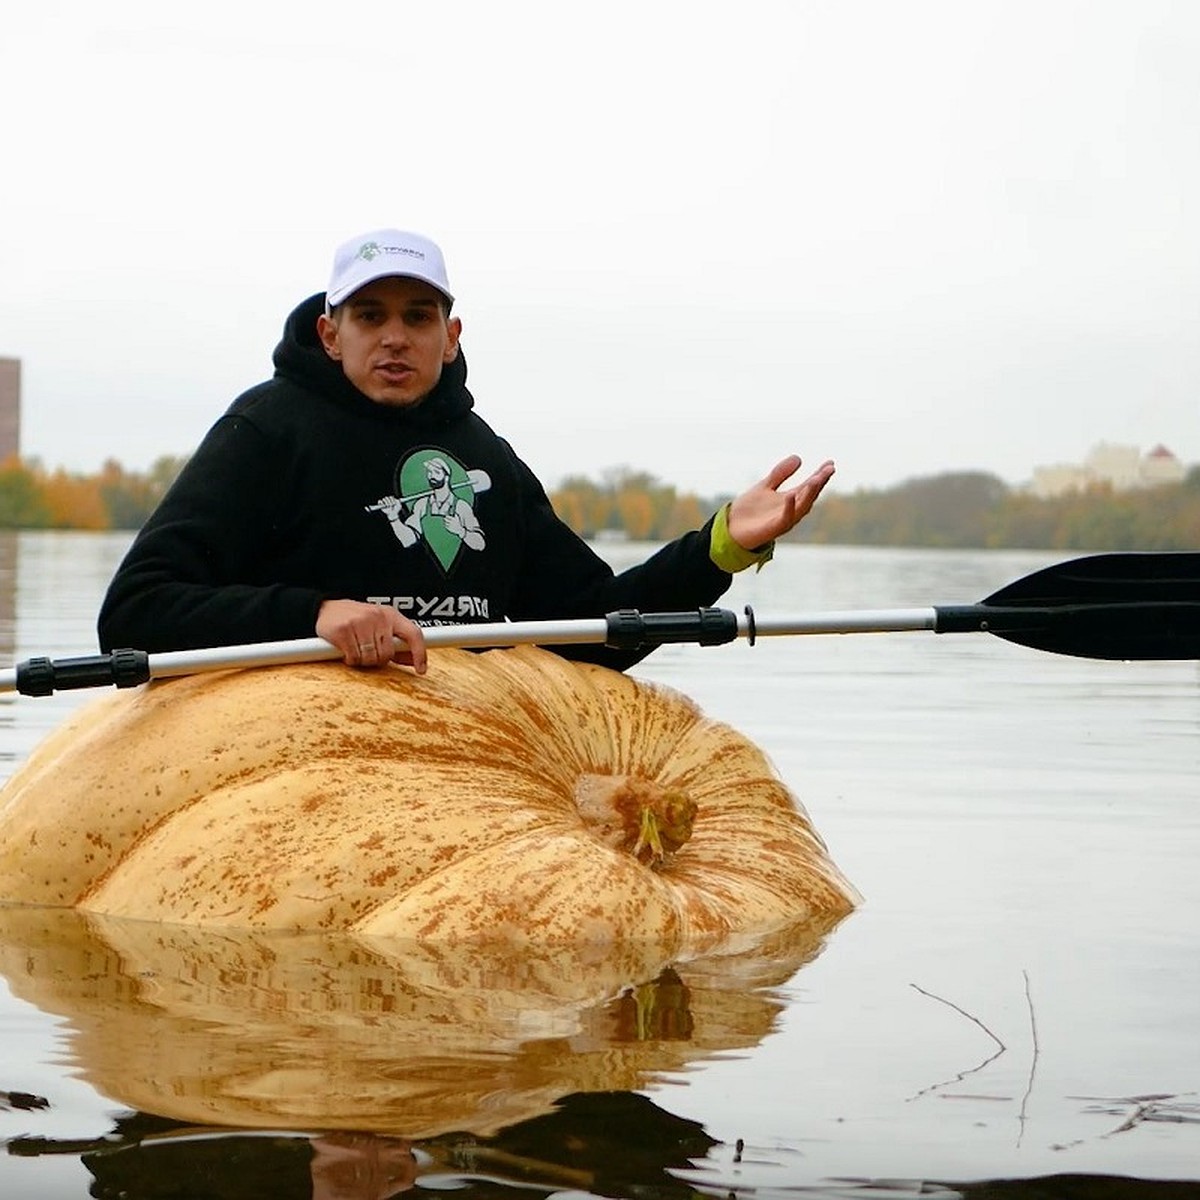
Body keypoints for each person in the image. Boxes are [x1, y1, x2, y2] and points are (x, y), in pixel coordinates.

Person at [97, 229, 834, 673]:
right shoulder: (264, 430)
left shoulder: (488, 458)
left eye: (418, 317)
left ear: (451, 338)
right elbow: (135, 613)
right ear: (331, 334)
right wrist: (312, 614)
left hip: (467, 758)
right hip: (296, 753)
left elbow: (592, 632)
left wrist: (719, 548)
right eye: (370, 315)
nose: (394, 336)